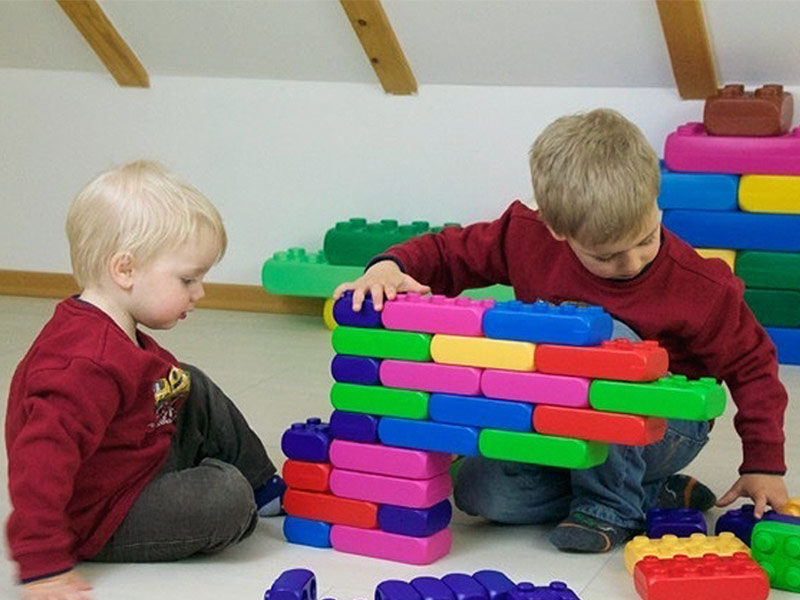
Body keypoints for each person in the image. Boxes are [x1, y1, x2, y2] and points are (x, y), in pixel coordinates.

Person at [334, 109, 789, 553]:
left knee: (606, 342)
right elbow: (449, 251)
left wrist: (764, 461)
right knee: (480, 494)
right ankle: (651, 493)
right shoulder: (524, 235)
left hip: (662, 427)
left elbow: (753, 364)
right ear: (555, 228)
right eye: (606, 256)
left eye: (646, 238)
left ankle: (612, 505)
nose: (631, 263)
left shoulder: (700, 285)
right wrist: (390, 267)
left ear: (656, 199)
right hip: (556, 415)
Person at [5, 160, 284, 599]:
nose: (200, 293)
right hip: (103, 515)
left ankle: (264, 483)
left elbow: (155, 388)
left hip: (134, 460)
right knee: (226, 496)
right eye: (187, 278)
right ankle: (243, 492)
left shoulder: (113, 328)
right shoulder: (83, 364)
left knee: (188, 383)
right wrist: (42, 565)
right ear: (126, 270)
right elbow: (37, 467)